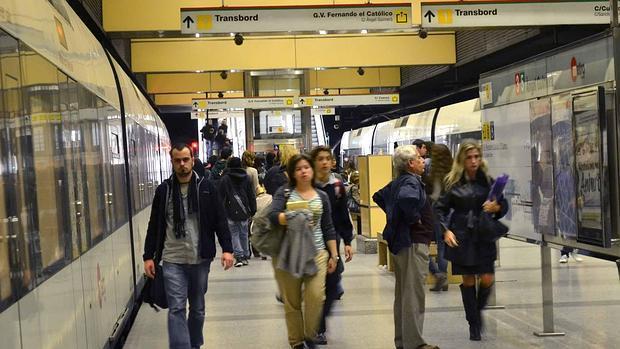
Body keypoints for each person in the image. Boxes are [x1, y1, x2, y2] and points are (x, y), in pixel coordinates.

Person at [143, 143, 234, 349]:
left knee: (197, 309)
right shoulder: (164, 190)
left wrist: (227, 249)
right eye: (178, 160)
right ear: (172, 162)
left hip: (200, 258)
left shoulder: (207, 188)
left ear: (193, 160)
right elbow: (154, 225)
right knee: (176, 308)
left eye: (186, 159)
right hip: (172, 259)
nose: (182, 164)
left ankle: (194, 344)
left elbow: (220, 219)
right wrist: (148, 256)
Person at [434, 140, 508, 341]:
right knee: (468, 280)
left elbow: (503, 205)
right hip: (462, 235)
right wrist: (445, 231)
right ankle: (474, 324)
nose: (474, 161)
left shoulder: (489, 181)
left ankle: (475, 312)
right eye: (469, 158)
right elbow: (439, 209)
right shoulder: (453, 183)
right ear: (462, 160)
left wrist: (497, 208)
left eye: (477, 157)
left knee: (487, 278)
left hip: (483, 235)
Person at [269, 153, 339, 349]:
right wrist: (291, 216)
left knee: (316, 297)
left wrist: (334, 254)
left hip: (317, 253)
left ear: (312, 170)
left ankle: (310, 333)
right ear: (292, 173)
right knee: (291, 301)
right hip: (289, 253)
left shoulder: (322, 196)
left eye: (306, 167)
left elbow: (328, 227)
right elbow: (273, 216)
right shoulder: (284, 193)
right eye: (298, 169)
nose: (303, 171)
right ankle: (296, 341)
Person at [373, 145, 439, 349]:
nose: (423, 161)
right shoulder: (411, 181)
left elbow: (378, 196)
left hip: (402, 243)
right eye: (419, 158)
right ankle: (415, 343)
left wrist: (395, 216)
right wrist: (414, 219)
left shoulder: (399, 180)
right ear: (410, 163)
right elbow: (406, 199)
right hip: (413, 243)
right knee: (413, 294)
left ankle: (403, 341)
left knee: (403, 295)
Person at [310, 146, 354, 345]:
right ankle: (313, 326)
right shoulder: (305, 185)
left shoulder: (337, 186)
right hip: (309, 243)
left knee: (332, 286)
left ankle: (318, 326)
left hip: (331, 241)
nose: (325, 162)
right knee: (313, 289)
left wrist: (347, 241)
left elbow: (343, 214)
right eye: (320, 159)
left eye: (328, 158)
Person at [219, 157, 257, 267]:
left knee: (234, 233)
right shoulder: (246, 177)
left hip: (230, 210)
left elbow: (221, 196)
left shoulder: (225, 179)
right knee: (244, 233)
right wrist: (253, 209)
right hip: (244, 209)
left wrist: (221, 211)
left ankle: (239, 256)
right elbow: (251, 195)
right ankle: (245, 255)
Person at [427, 144, 453, 292]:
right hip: (450, 210)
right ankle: (443, 276)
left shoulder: (435, 173)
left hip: (438, 210)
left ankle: (440, 276)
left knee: (439, 245)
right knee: (444, 245)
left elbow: (434, 195)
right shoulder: (453, 171)